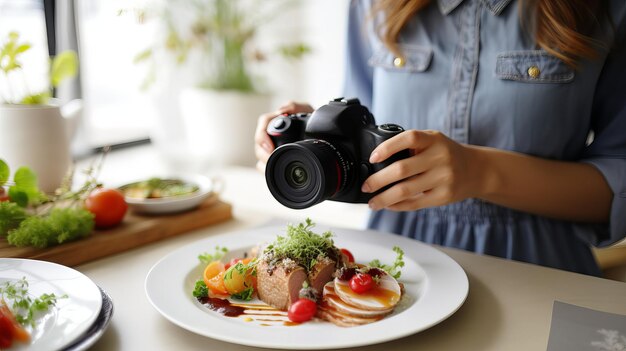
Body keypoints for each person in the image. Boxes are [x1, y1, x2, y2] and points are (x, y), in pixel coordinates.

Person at [255, 0, 626, 277]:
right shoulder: (374, 4)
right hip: (395, 275)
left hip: (540, 273)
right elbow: (362, 138)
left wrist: (479, 171)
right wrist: (309, 137)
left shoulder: (604, 8)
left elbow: (616, 189)